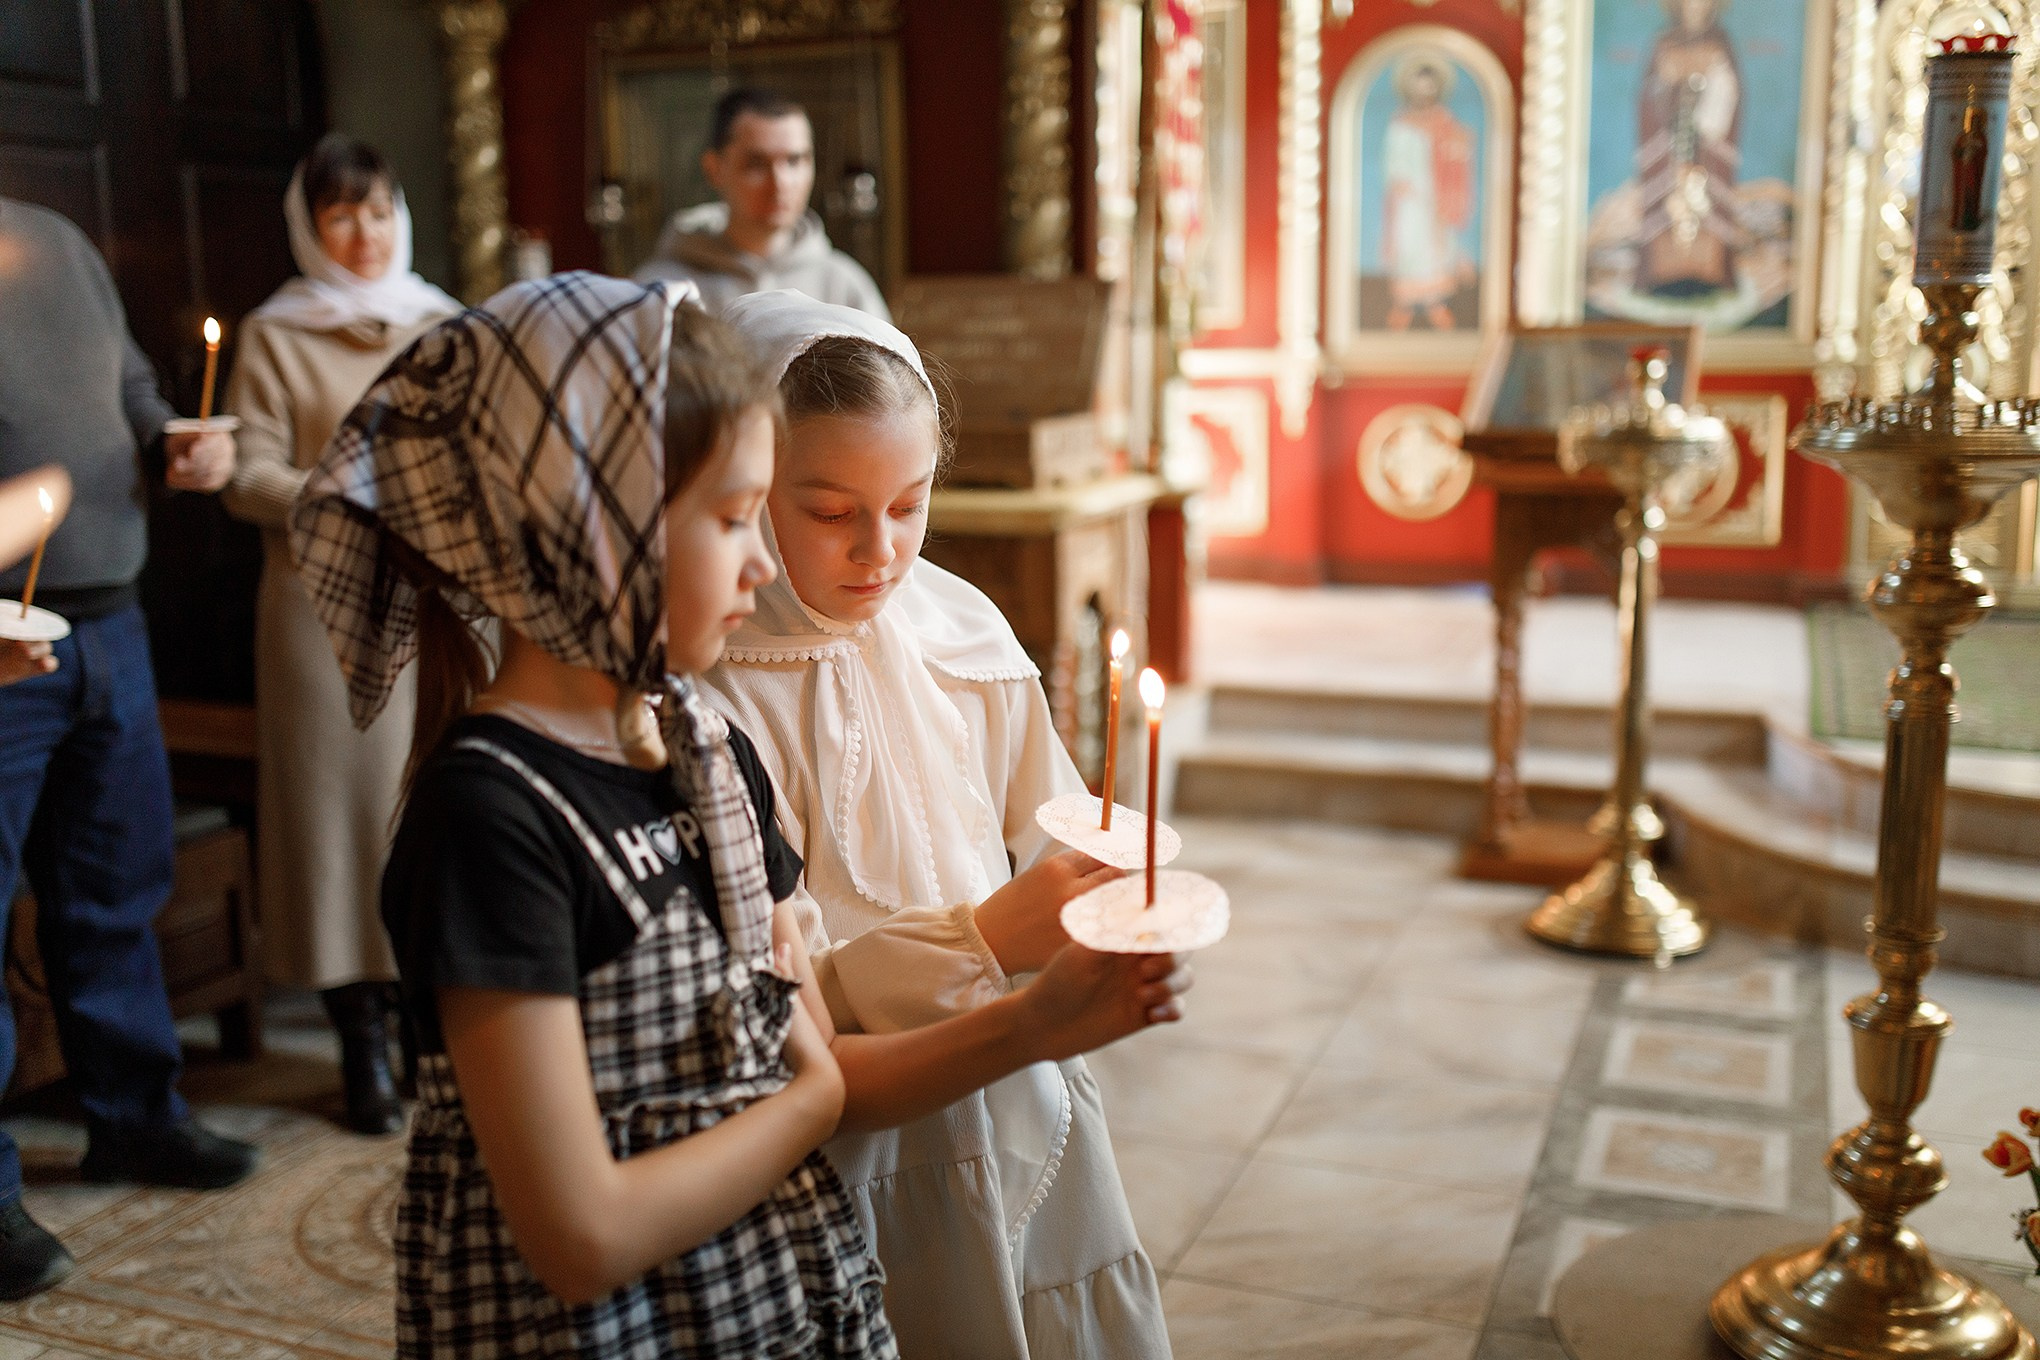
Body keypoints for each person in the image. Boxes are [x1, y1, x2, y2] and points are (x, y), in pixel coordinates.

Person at [290, 271, 895, 1356]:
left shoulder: (706, 750)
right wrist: (809, 1106)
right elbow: (578, 1236)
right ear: (589, 524)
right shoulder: (489, 817)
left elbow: (805, 1036)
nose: (763, 562)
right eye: (729, 516)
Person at [704, 290, 1188, 1359]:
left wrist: (1101, 889)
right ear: (743, 489)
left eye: (910, 504)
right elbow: (785, 1010)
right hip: (854, 1128)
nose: (881, 551)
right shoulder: (717, 691)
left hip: (1022, 1090)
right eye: (829, 511)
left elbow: (1053, 819)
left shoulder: (964, 627)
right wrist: (987, 938)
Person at [0, 196, 260, 1301]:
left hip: (112, 616)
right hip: (3, 635)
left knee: (118, 882)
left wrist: (173, 441)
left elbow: (136, 386)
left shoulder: (52, 238)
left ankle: (135, 1115)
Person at [220, 134, 460, 1136]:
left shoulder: (447, 321)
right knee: (334, 826)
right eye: (338, 216)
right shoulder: (276, 333)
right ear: (309, 228)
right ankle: (357, 1035)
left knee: (430, 809)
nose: (361, 233)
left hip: (434, 604)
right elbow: (243, 473)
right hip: (318, 612)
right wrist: (349, 498)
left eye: (375, 210)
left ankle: (427, 1024)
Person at [633, 86, 891, 320]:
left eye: (794, 161)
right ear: (714, 169)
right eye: (756, 164)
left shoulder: (844, 284)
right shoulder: (662, 288)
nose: (780, 183)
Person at [1635, 0, 1743, 298]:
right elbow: (1648, 98)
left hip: (1706, 149)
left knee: (1702, 203)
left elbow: (1731, 94)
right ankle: (1664, 276)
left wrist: (1711, 88)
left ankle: (1706, 275)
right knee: (1672, 204)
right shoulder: (1664, 44)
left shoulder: (1721, 44)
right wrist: (1667, 83)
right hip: (1670, 148)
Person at [1381, 55, 1476, 332]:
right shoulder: (1400, 123)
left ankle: (1435, 303)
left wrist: (1460, 143)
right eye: (1419, 86)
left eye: (1429, 87)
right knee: (1410, 245)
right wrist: (1402, 183)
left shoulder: (1444, 121)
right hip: (1409, 197)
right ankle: (1404, 305)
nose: (1424, 92)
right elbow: (1393, 159)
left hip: (1436, 193)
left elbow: (1455, 148)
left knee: (1437, 248)